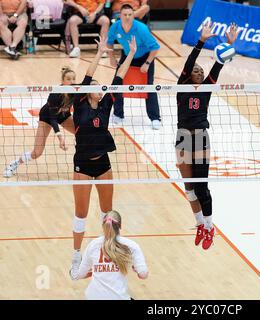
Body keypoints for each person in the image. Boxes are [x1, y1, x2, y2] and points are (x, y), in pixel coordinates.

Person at [70, 35, 137, 275]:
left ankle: (110, 250)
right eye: (96, 87)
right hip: (83, 165)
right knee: (81, 213)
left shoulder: (107, 104)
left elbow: (119, 76)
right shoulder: (79, 104)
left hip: (104, 164)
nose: (100, 88)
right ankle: (76, 256)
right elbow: (88, 76)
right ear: (89, 92)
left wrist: (130, 53)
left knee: (108, 213)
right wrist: (99, 53)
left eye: (101, 87)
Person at [175, 22, 240, 250]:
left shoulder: (206, 88)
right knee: (190, 188)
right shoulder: (181, 85)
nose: (199, 72)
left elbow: (217, 67)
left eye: (201, 72)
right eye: (196, 70)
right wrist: (201, 41)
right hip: (183, 136)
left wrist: (229, 45)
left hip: (201, 137)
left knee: (202, 187)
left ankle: (210, 227)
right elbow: (189, 63)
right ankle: (200, 224)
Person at [3, 67, 76, 178]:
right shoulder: (56, 94)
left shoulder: (77, 90)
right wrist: (60, 137)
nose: (72, 82)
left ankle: (84, 164)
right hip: (47, 117)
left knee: (81, 132)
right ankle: (14, 164)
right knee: (37, 152)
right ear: (62, 81)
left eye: (74, 79)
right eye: (68, 79)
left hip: (63, 116)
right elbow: (53, 118)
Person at [70, 210, 148, 300]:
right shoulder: (131, 245)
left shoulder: (93, 244)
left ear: (103, 226)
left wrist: (80, 266)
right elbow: (143, 274)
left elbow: (78, 275)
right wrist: (136, 270)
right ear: (120, 226)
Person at [107, 4, 161, 129]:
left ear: (133, 15)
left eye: (130, 15)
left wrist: (147, 63)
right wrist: (112, 58)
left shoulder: (141, 28)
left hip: (145, 56)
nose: (127, 17)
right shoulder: (115, 27)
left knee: (149, 87)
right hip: (127, 56)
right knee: (117, 84)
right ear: (119, 16)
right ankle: (118, 114)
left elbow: (155, 48)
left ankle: (155, 118)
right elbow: (109, 43)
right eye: (124, 15)